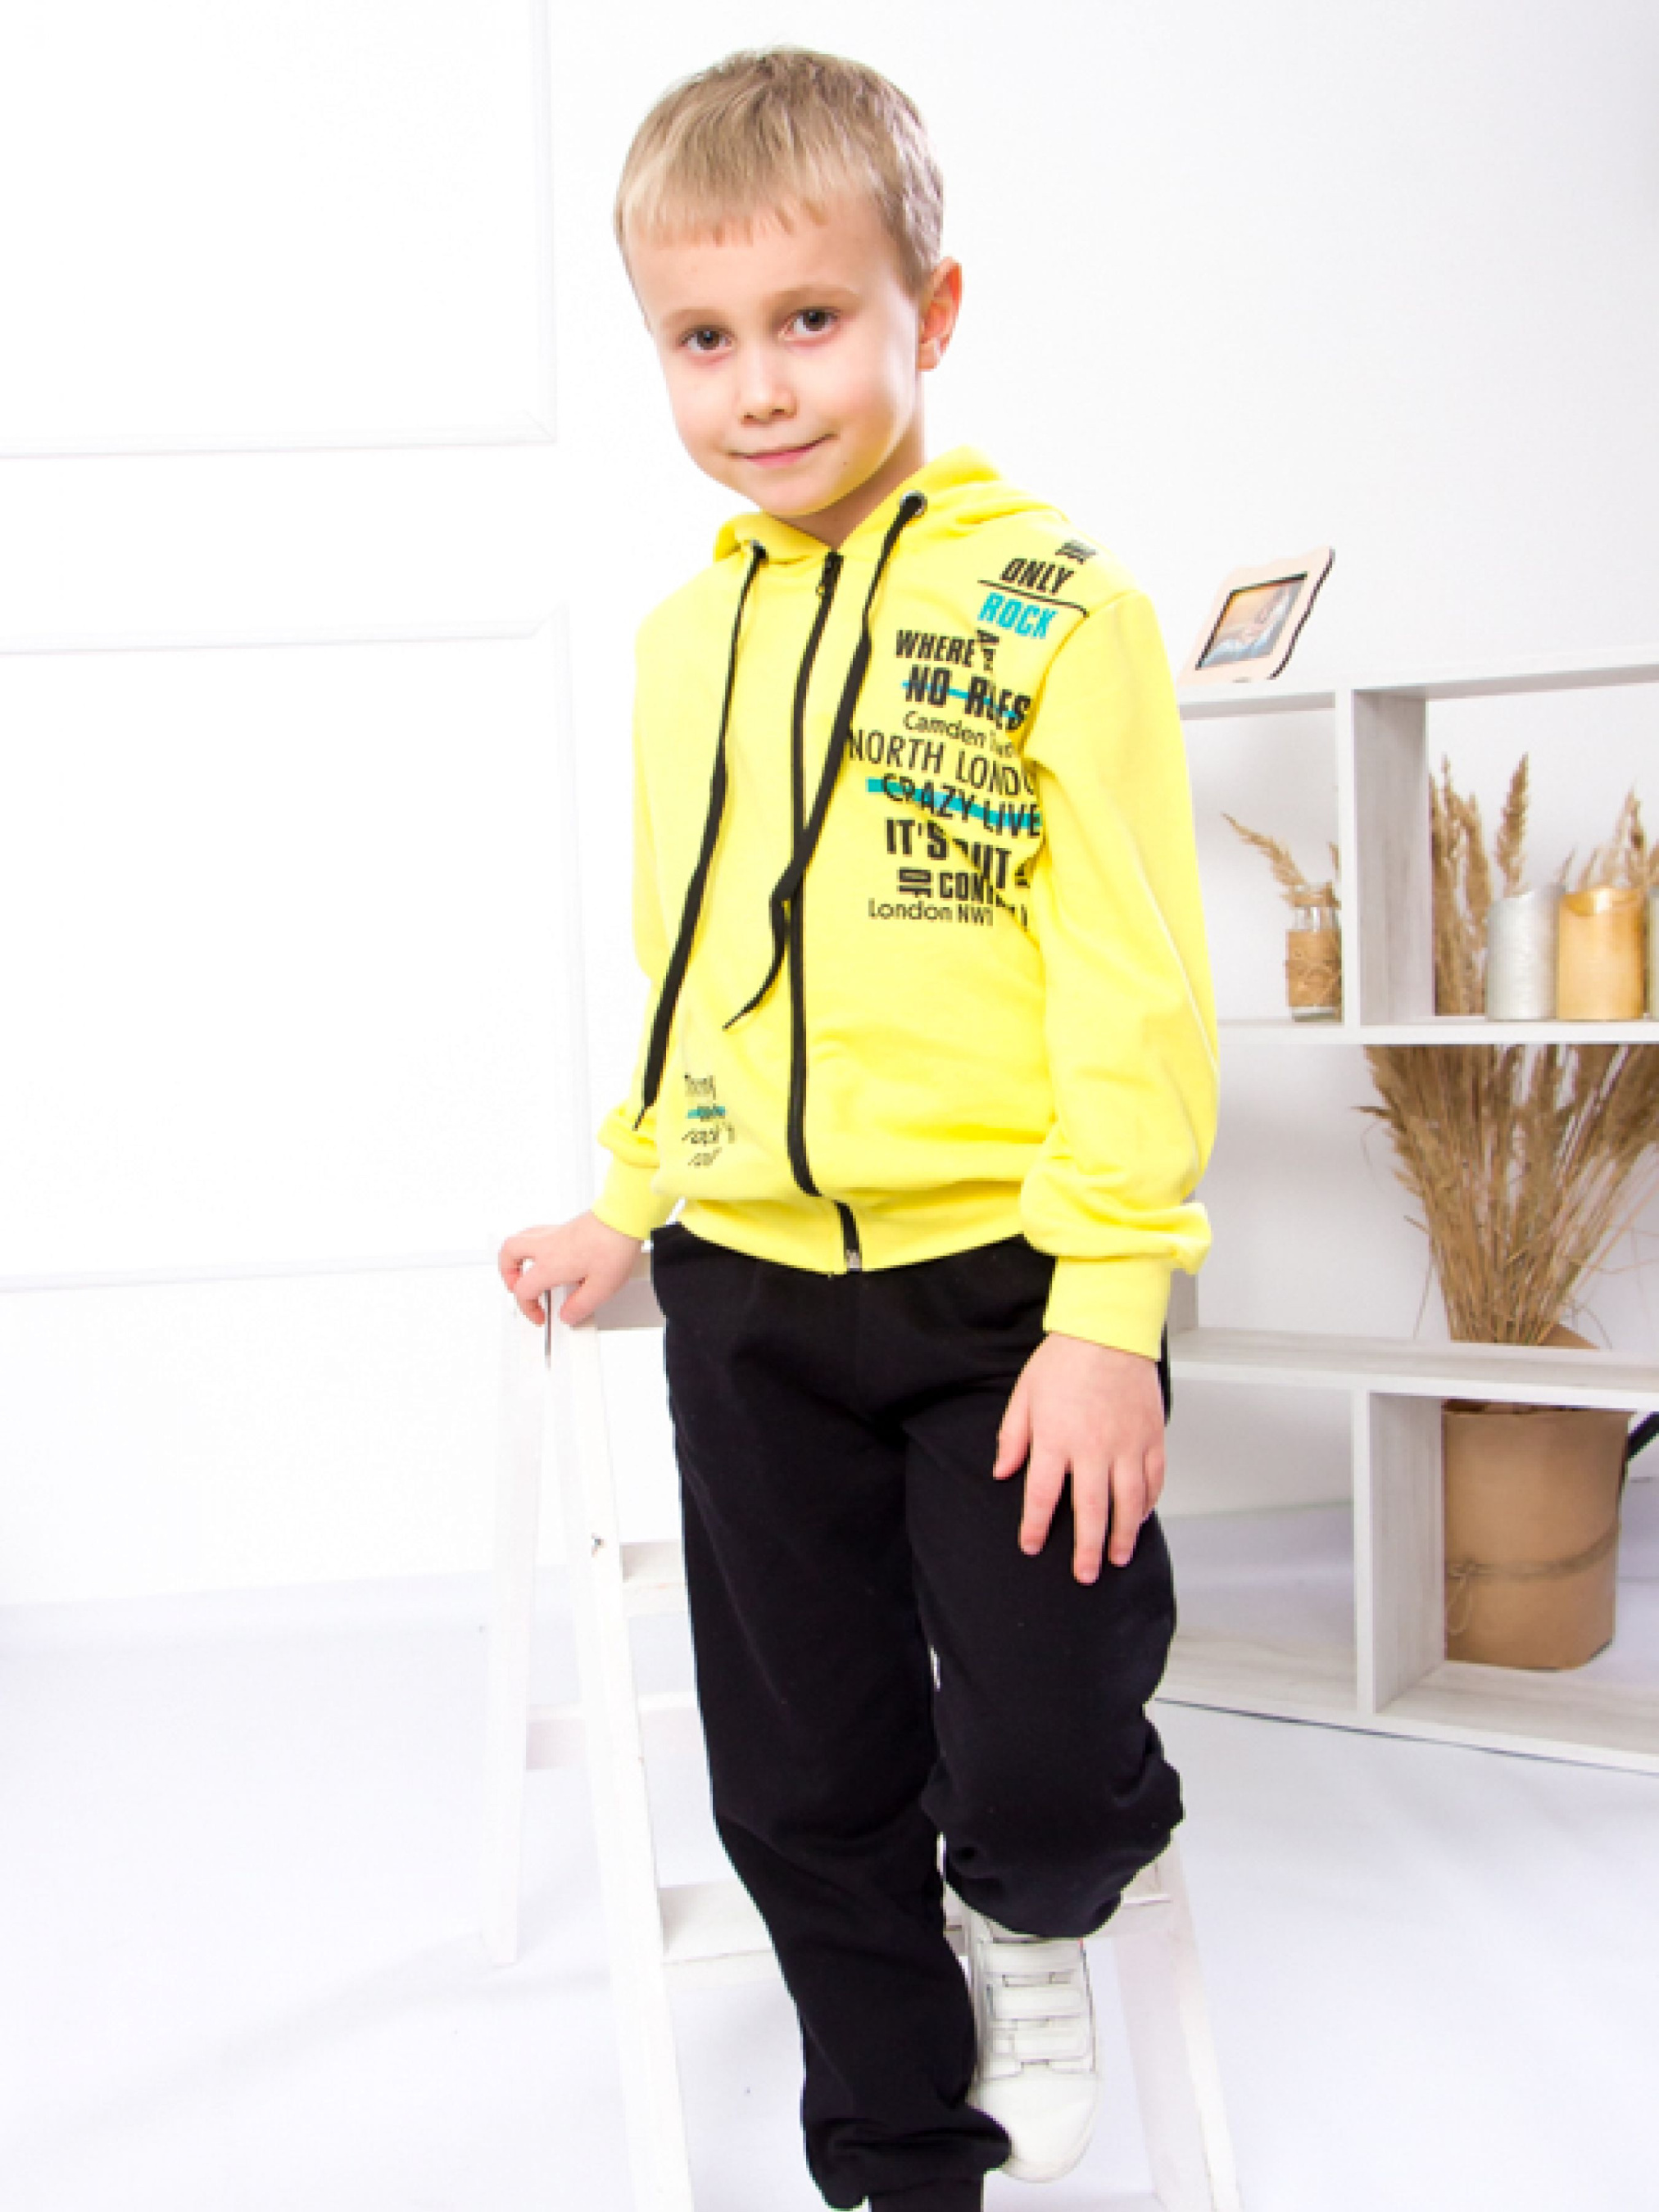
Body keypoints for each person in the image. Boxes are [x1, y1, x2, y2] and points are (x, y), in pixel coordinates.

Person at [498, 46, 1220, 2212]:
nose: (759, 387)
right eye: (701, 339)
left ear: (933, 307)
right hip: (750, 1296)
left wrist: (1107, 1310)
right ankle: (899, 2149)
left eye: (809, 318)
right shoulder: (683, 642)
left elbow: (1135, 986)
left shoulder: (1055, 607)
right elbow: (694, 959)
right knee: (802, 1776)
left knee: (1043, 1759)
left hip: (1009, 1292)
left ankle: (1039, 1903)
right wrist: (632, 1196)